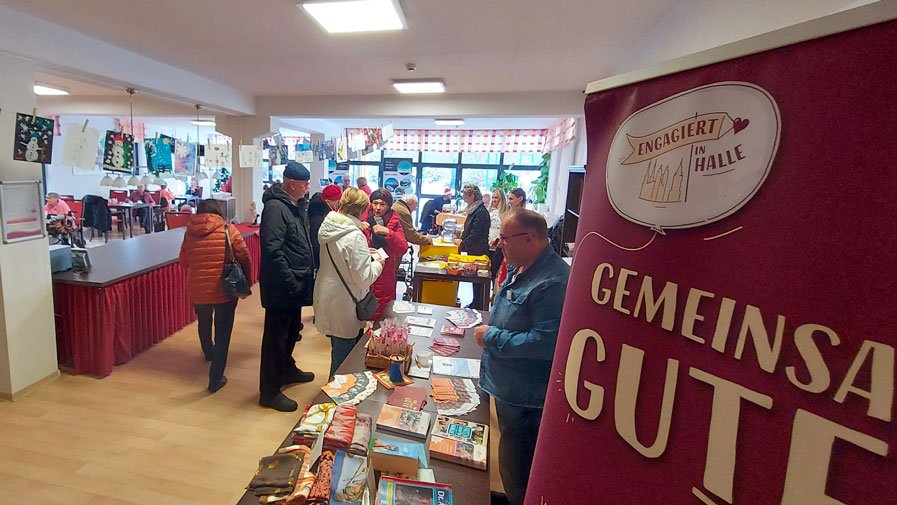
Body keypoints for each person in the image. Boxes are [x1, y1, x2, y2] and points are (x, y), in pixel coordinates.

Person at [473, 209, 569, 505]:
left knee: (519, 470)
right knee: (509, 457)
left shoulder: (552, 282)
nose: (500, 244)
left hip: (524, 396)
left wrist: (491, 336)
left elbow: (546, 343)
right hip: (505, 383)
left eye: (504, 238)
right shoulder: (524, 264)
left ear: (529, 238)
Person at [258, 161, 316, 412]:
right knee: (275, 339)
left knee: (292, 333)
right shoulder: (275, 208)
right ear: (292, 183)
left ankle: (286, 370)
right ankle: (269, 391)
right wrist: (291, 281)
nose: (307, 188)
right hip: (282, 287)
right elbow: (272, 251)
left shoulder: (294, 205)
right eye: (305, 184)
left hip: (294, 284)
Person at [178, 199, 252, 393]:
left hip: (197, 288)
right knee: (223, 333)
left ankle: (208, 353)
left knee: (203, 321)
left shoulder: (189, 232)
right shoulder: (228, 230)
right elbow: (244, 255)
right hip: (224, 289)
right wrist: (248, 279)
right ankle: (215, 378)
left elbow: (183, 260)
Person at [314, 188, 385, 379]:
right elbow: (363, 278)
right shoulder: (354, 236)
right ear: (361, 211)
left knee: (338, 349)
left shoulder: (329, 227)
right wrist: (379, 264)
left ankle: (336, 393)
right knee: (344, 358)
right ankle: (335, 399)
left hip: (328, 294)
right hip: (347, 302)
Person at [361, 189, 408, 320]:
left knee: (383, 314)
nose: (378, 207)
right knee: (359, 312)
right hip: (363, 269)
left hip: (385, 271)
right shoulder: (361, 218)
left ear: (389, 205)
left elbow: (402, 248)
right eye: (375, 203)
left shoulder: (394, 222)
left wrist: (388, 232)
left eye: (382, 204)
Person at [456, 184, 491, 308]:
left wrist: (463, 243)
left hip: (479, 251)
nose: (464, 199)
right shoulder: (474, 210)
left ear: (472, 196)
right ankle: (476, 302)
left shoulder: (480, 212)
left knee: (479, 281)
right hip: (474, 250)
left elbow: (475, 233)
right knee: (475, 281)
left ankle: (479, 305)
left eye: (466, 196)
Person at [308, 184, 342, 270]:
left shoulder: (317, 210)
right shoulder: (319, 216)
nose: (338, 204)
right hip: (321, 258)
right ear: (328, 201)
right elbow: (316, 240)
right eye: (337, 201)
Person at [488, 188, 510, 280]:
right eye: (493, 197)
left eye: (496, 197)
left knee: (495, 272)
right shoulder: (490, 212)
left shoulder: (507, 213)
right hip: (489, 245)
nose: (494, 200)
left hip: (500, 247)